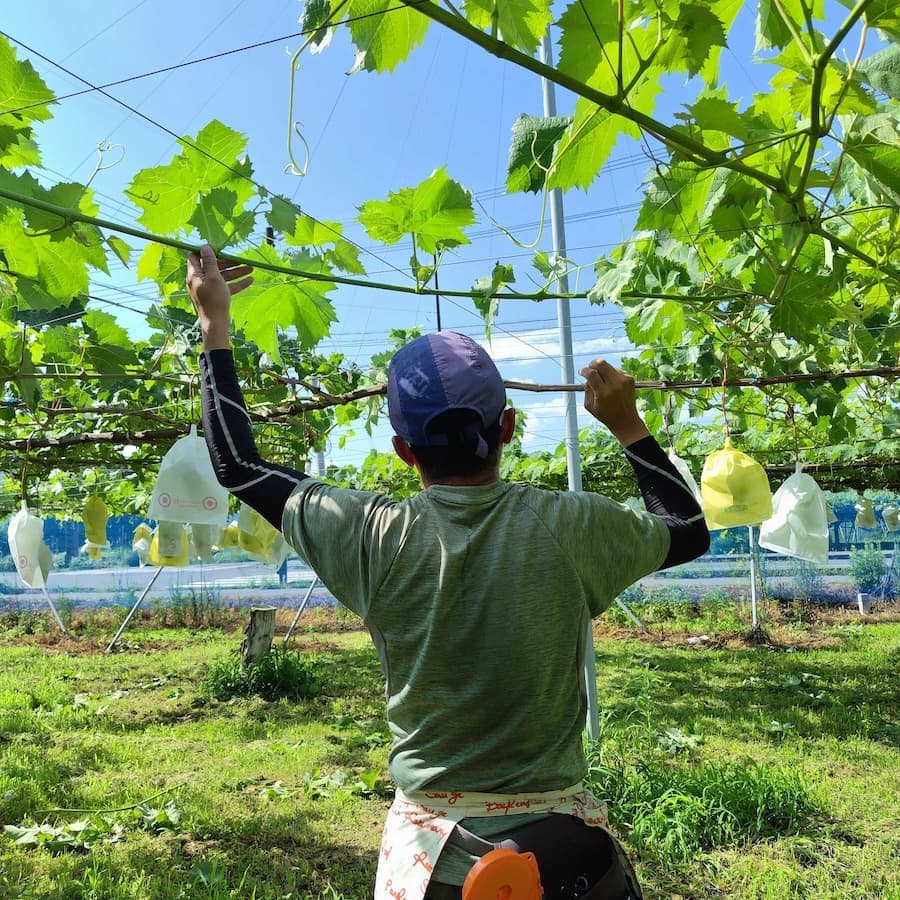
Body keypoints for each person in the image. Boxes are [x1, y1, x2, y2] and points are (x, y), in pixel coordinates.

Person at [186, 244, 709, 899]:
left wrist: (214, 326)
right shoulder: (572, 525)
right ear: (509, 428)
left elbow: (238, 466)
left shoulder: (369, 533)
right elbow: (688, 530)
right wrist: (629, 426)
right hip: (569, 860)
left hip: (437, 862)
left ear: (403, 451)